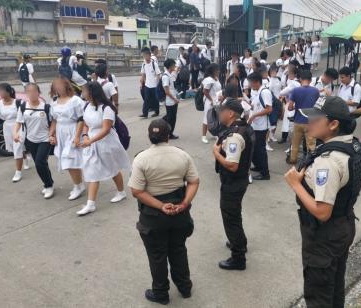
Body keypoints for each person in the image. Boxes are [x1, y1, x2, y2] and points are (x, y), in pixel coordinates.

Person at [284, 96, 361, 308]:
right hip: (343, 225)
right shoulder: (352, 145)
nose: (309, 123)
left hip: (324, 235)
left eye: (315, 119)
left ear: (333, 124)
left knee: (318, 294)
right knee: (335, 287)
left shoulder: (328, 162)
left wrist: (295, 184)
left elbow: (322, 212)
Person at [129, 119, 200, 305]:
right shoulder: (182, 155)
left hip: (153, 216)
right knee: (178, 249)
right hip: (179, 212)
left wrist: (160, 206)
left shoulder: (141, 159)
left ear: (149, 136)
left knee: (157, 255)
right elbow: (194, 181)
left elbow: (136, 191)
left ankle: (161, 293)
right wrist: (184, 203)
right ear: (168, 135)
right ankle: (185, 287)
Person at [76, 82, 130, 216]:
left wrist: (90, 141)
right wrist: (84, 135)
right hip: (91, 141)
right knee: (92, 170)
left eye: (84, 91)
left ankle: (121, 192)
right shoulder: (87, 106)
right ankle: (91, 204)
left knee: (113, 168)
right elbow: (86, 124)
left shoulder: (107, 108)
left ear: (92, 93)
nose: (82, 94)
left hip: (106, 142)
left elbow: (106, 129)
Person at [212, 98, 254, 270]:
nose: (219, 114)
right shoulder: (243, 127)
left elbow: (232, 165)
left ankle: (238, 258)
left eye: (221, 111)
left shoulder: (235, 136)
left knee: (231, 218)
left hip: (233, 182)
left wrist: (216, 153)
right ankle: (240, 242)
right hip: (239, 180)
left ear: (230, 113)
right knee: (234, 214)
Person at [14, 83, 55, 199]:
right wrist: (15, 133)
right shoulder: (23, 107)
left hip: (45, 139)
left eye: (34, 91)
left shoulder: (46, 107)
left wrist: (51, 134)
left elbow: (53, 122)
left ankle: (48, 186)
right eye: (29, 91)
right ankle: (49, 181)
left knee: (39, 162)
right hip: (30, 139)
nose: (32, 94)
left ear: (39, 92)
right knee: (42, 164)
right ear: (26, 93)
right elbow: (18, 122)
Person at [48, 77, 85, 201]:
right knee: (69, 161)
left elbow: (81, 119)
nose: (58, 88)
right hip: (60, 132)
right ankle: (79, 184)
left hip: (72, 131)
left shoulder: (75, 100)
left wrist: (76, 137)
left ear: (66, 86)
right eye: (55, 86)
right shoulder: (54, 101)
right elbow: (54, 119)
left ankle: (78, 186)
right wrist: (51, 135)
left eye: (60, 85)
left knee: (69, 160)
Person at [0, 83, 30, 182]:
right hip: (7, 127)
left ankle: (18, 172)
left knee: (17, 147)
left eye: (1, 90)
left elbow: (26, 115)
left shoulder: (18, 102)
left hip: (19, 126)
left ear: (8, 92)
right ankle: (25, 158)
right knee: (16, 148)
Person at [287, 70, 320, 165]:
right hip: (311, 122)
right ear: (310, 80)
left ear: (300, 79)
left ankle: (293, 160)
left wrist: (295, 106)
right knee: (311, 144)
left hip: (298, 121)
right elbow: (317, 105)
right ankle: (312, 162)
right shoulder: (315, 91)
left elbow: (289, 107)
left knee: (295, 143)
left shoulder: (295, 91)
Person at [247, 72, 272, 180]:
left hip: (262, 126)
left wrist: (254, 115)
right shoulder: (258, 92)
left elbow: (269, 109)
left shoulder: (265, 92)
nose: (250, 85)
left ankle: (265, 173)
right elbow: (257, 106)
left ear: (256, 82)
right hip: (256, 125)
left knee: (260, 149)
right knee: (256, 149)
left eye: (250, 83)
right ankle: (258, 167)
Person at [201, 63, 222, 144]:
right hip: (210, 102)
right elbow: (205, 91)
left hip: (217, 100)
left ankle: (215, 133)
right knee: (207, 118)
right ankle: (203, 136)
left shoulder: (216, 78)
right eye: (217, 70)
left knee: (216, 118)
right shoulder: (209, 80)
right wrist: (211, 100)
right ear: (213, 71)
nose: (219, 71)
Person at [140, 47, 161, 118]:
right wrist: (141, 83)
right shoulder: (143, 64)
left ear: (149, 55)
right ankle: (145, 113)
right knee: (146, 99)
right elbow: (143, 74)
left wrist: (157, 83)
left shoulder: (154, 64)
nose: (144, 57)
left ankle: (157, 112)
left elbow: (158, 74)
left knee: (155, 99)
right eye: (143, 56)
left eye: (145, 55)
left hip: (154, 85)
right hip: (147, 85)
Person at [162, 59, 180, 139]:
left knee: (172, 117)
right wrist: (174, 99)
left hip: (173, 99)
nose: (175, 67)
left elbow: (172, 89)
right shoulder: (165, 77)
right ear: (170, 66)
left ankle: (169, 133)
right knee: (171, 119)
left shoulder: (170, 75)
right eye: (174, 65)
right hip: (170, 101)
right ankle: (168, 133)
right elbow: (167, 91)